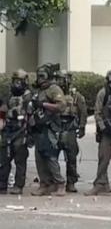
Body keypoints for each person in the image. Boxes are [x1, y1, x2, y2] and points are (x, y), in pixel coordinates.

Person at [30, 64, 67, 196]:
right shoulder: (38, 90)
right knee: (39, 158)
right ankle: (44, 184)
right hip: (38, 127)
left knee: (50, 156)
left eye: (42, 76)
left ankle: (60, 184)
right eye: (38, 76)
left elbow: (61, 106)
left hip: (50, 127)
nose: (40, 79)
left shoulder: (53, 89)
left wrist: (44, 104)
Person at [0, 69, 33, 195]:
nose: (16, 84)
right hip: (7, 130)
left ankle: (18, 185)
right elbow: (3, 110)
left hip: (21, 130)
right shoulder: (9, 95)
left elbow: (30, 115)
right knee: (3, 159)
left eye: (19, 81)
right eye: (15, 81)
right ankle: (2, 185)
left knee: (20, 160)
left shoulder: (28, 96)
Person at [55, 70, 87, 193]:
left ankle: (71, 182)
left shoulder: (76, 96)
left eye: (62, 79)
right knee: (52, 157)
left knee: (71, 157)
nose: (60, 82)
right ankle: (55, 181)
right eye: (58, 79)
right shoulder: (53, 94)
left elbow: (83, 112)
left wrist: (82, 127)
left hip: (70, 128)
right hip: (56, 127)